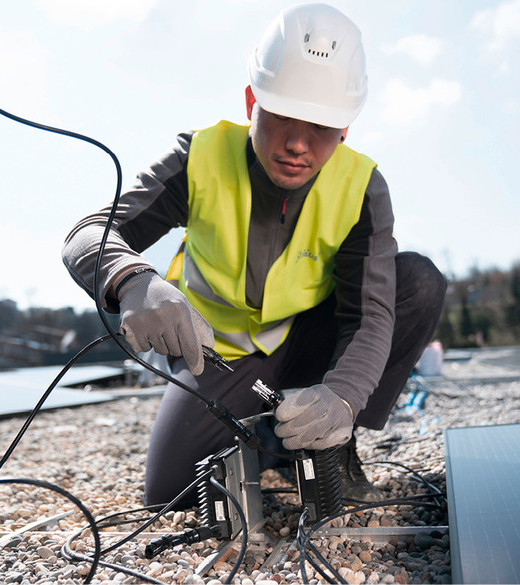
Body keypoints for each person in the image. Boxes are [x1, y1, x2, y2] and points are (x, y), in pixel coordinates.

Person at [62, 3, 446, 506]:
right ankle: (271, 441)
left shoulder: (361, 189)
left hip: (310, 343)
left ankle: (333, 440)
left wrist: (344, 397)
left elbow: (370, 317)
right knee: (170, 496)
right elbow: (88, 234)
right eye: (282, 117)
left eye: (321, 128)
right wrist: (131, 278)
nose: (297, 144)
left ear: (346, 128)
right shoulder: (197, 158)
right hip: (218, 357)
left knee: (416, 281)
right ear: (251, 102)